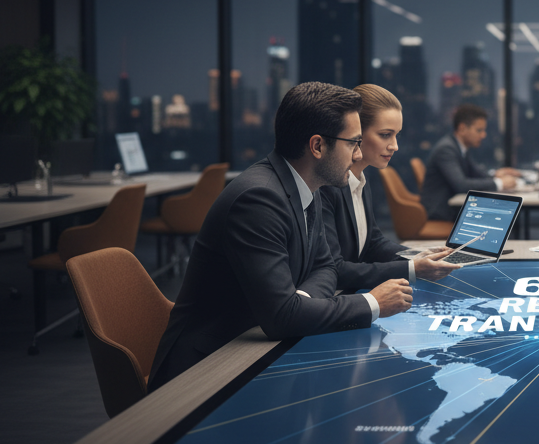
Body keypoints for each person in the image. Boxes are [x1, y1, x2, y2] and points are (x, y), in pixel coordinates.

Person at [149, 82, 413, 390]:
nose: (358, 154)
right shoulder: (258, 198)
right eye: (353, 143)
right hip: (207, 371)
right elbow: (281, 317)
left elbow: (325, 267)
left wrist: (299, 301)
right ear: (317, 146)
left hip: (256, 348)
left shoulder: (306, 186)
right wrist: (372, 302)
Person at [322, 84, 460, 291]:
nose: (394, 146)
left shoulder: (360, 179)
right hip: (336, 302)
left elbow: (373, 242)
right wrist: (413, 268)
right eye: (386, 135)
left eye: (396, 135)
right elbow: (335, 270)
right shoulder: (326, 186)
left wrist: (419, 256)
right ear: (356, 133)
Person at [422, 105, 519, 222]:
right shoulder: (446, 149)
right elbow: (462, 185)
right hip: (441, 213)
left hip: (451, 209)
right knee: (496, 220)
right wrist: (500, 183)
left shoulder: (460, 147)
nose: (484, 135)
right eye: (479, 130)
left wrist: (496, 175)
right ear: (462, 128)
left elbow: (476, 173)